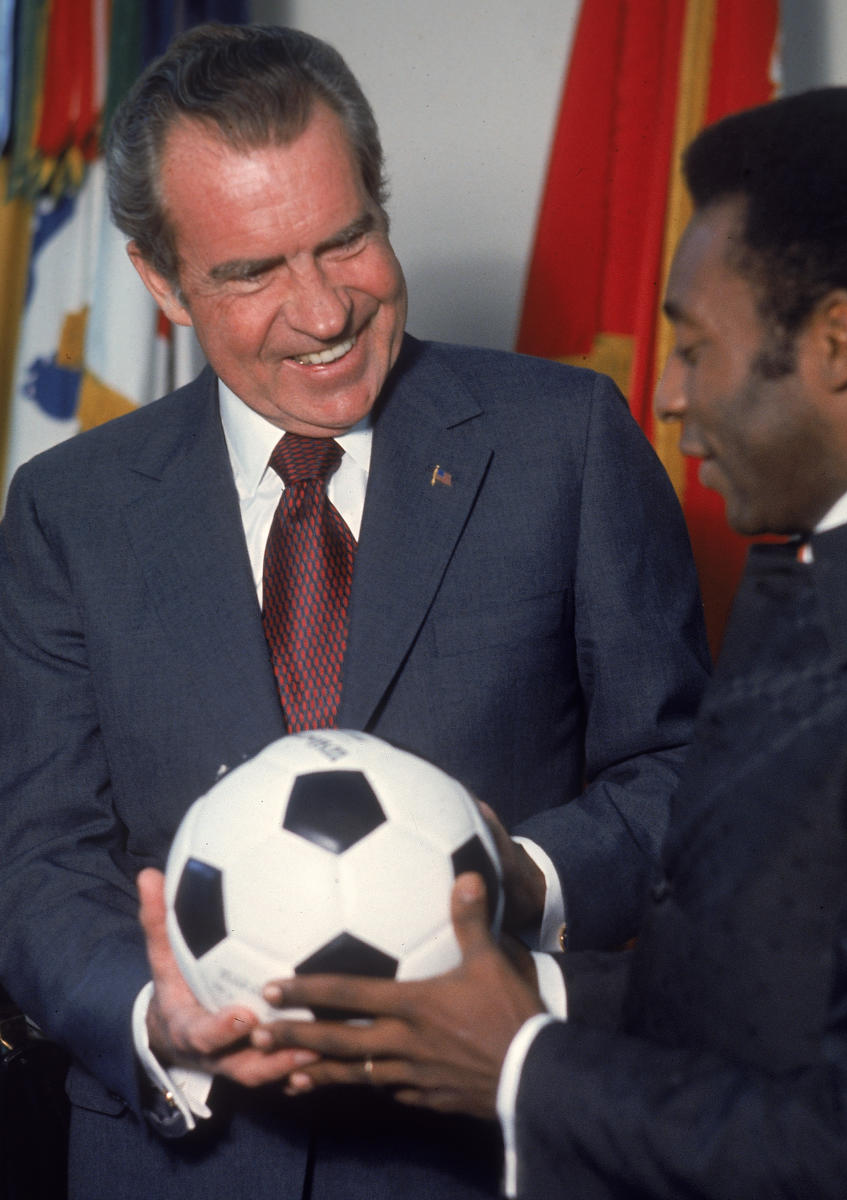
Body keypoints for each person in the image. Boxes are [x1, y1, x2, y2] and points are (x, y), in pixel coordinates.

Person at [0, 22, 708, 1200]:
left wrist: (517, 877)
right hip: (175, 1159)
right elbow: (38, 854)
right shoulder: (68, 508)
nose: (323, 311)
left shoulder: (567, 441)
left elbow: (687, 771)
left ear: (381, 206)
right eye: (252, 271)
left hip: (483, 1159)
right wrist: (153, 1022)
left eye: (346, 241)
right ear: (161, 284)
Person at [261, 86, 847, 1198]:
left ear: (837, 341)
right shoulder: (816, 577)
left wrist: (525, 1062)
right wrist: (527, 994)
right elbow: (760, 986)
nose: (668, 396)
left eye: (693, 346)